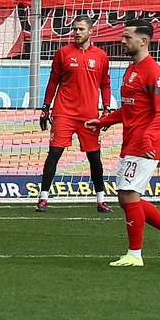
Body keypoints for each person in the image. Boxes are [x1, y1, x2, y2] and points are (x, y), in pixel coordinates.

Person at [89, 18, 160, 266]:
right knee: (127, 198)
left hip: (144, 145)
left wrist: (149, 136)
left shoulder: (153, 71)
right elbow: (129, 110)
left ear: (143, 41)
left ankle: (135, 255)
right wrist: (104, 122)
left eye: (127, 37)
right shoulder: (131, 69)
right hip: (131, 142)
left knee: (129, 195)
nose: (122, 41)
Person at [36, 15, 111, 213]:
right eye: (75, 29)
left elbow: (105, 83)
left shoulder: (101, 56)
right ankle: (43, 197)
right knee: (54, 153)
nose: (77, 32)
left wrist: (107, 107)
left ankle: (101, 200)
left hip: (89, 116)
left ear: (90, 31)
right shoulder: (63, 53)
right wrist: (46, 107)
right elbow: (53, 81)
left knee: (94, 157)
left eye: (81, 29)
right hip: (64, 113)